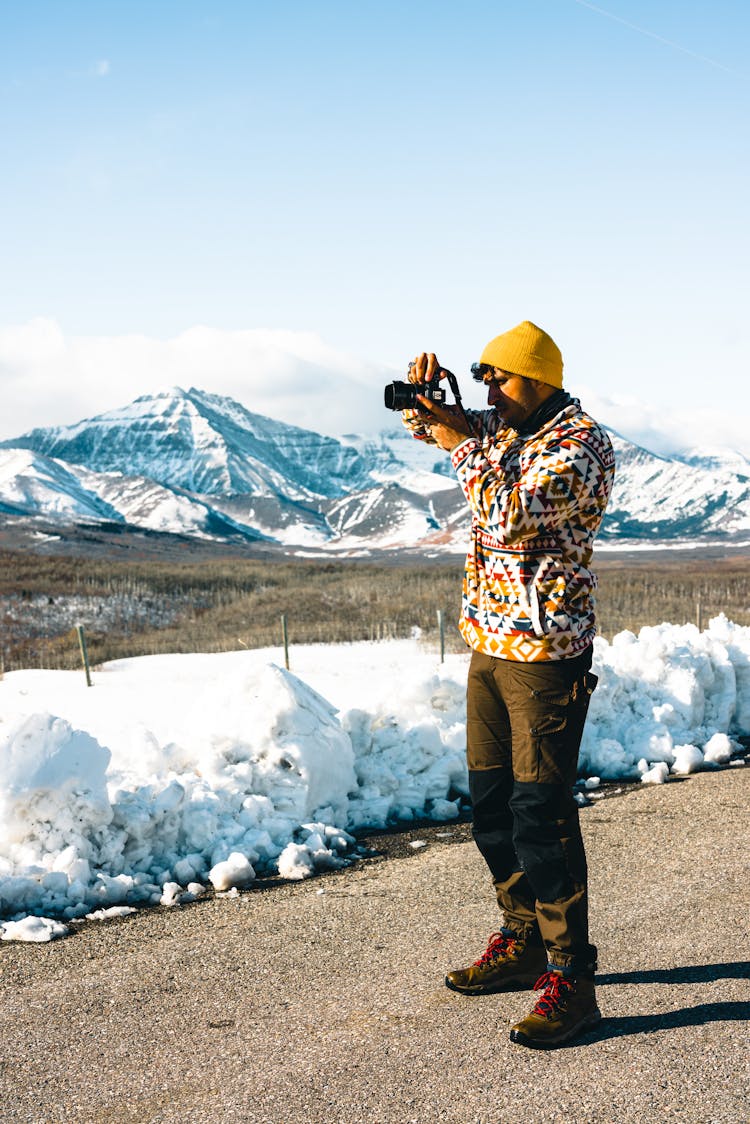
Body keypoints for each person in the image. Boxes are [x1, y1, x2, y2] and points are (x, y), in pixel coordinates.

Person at [402, 320, 615, 1049]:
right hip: (488, 646)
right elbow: (431, 429)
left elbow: (505, 511)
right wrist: (428, 402)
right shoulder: (508, 429)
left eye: (503, 378)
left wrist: (463, 440)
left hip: (545, 654)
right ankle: (522, 942)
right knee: (492, 808)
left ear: (543, 380)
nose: (490, 390)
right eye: (483, 376)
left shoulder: (579, 446)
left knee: (541, 816)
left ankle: (572, 980)